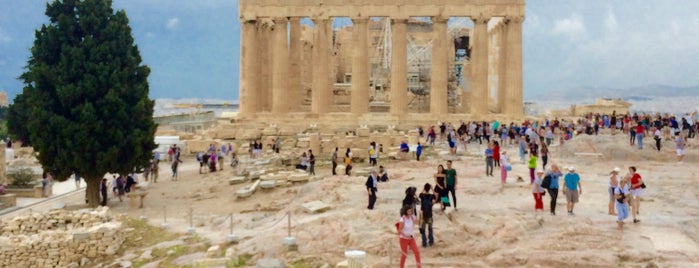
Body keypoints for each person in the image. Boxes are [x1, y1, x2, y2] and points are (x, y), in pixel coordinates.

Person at [418, 183, 436, 248]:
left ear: (424, 188)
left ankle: (424, 243)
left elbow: (419, 195)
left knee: (423, 229)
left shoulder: (422, 195)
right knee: (430, 229)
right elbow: (436, 196)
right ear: (429, 189)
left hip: (423, 214)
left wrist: (423, 189)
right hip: (430, 214)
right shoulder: (431, 196)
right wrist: (432, 188)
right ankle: (431, 242)